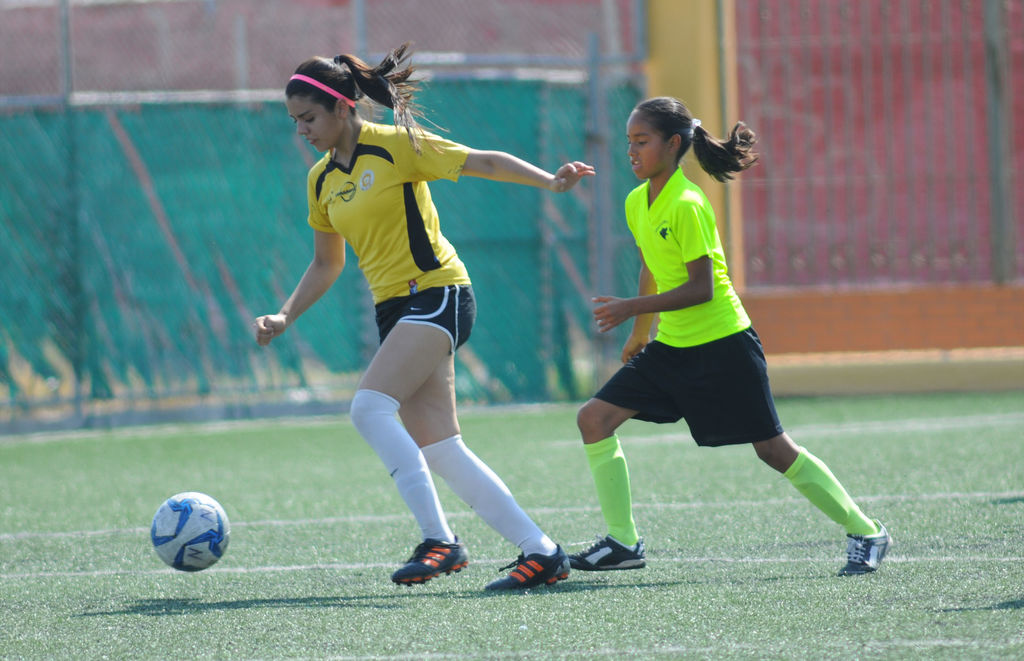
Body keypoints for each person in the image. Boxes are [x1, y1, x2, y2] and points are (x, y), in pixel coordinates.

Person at [254, 43, 594, 590]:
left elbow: (479, 159)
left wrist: (550, 183)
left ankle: (440, 541)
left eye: (309, 117)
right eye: (295, 120)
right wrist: (285, 315)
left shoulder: (394, 146)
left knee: (368, 409)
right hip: (397, 309)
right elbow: (325, 262)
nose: (302, 130)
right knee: (441, 446)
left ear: (344, 107)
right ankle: (542, 551)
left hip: (438, 292)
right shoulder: (320, 180)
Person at [568, 96, 891, 577]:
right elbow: (652, 267)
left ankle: (868, 532)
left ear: (673, 144)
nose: (631, 151)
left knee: (773, 450)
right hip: (672, 348)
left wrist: (631, 309)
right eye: (628, 142)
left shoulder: (688, 203)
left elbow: (702, 289)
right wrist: (639, 332)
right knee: (594, 419)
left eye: (642, 142)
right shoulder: (638, 201)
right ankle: (624, 542)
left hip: (724, 347)